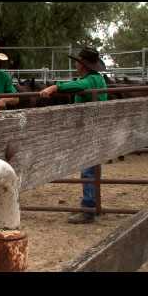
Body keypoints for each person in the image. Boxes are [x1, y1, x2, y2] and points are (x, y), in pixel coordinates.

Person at [40, 47, 107, 224]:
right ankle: (94, 205)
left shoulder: (90, 80)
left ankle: (88, 209)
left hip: (90, 129)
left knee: (88, 168)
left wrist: (56, 86)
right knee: (92, 167)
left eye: (77, 62)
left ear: (83, 65)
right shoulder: (97, 79)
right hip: (94, 128)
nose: (75, 64)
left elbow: (80, 86)